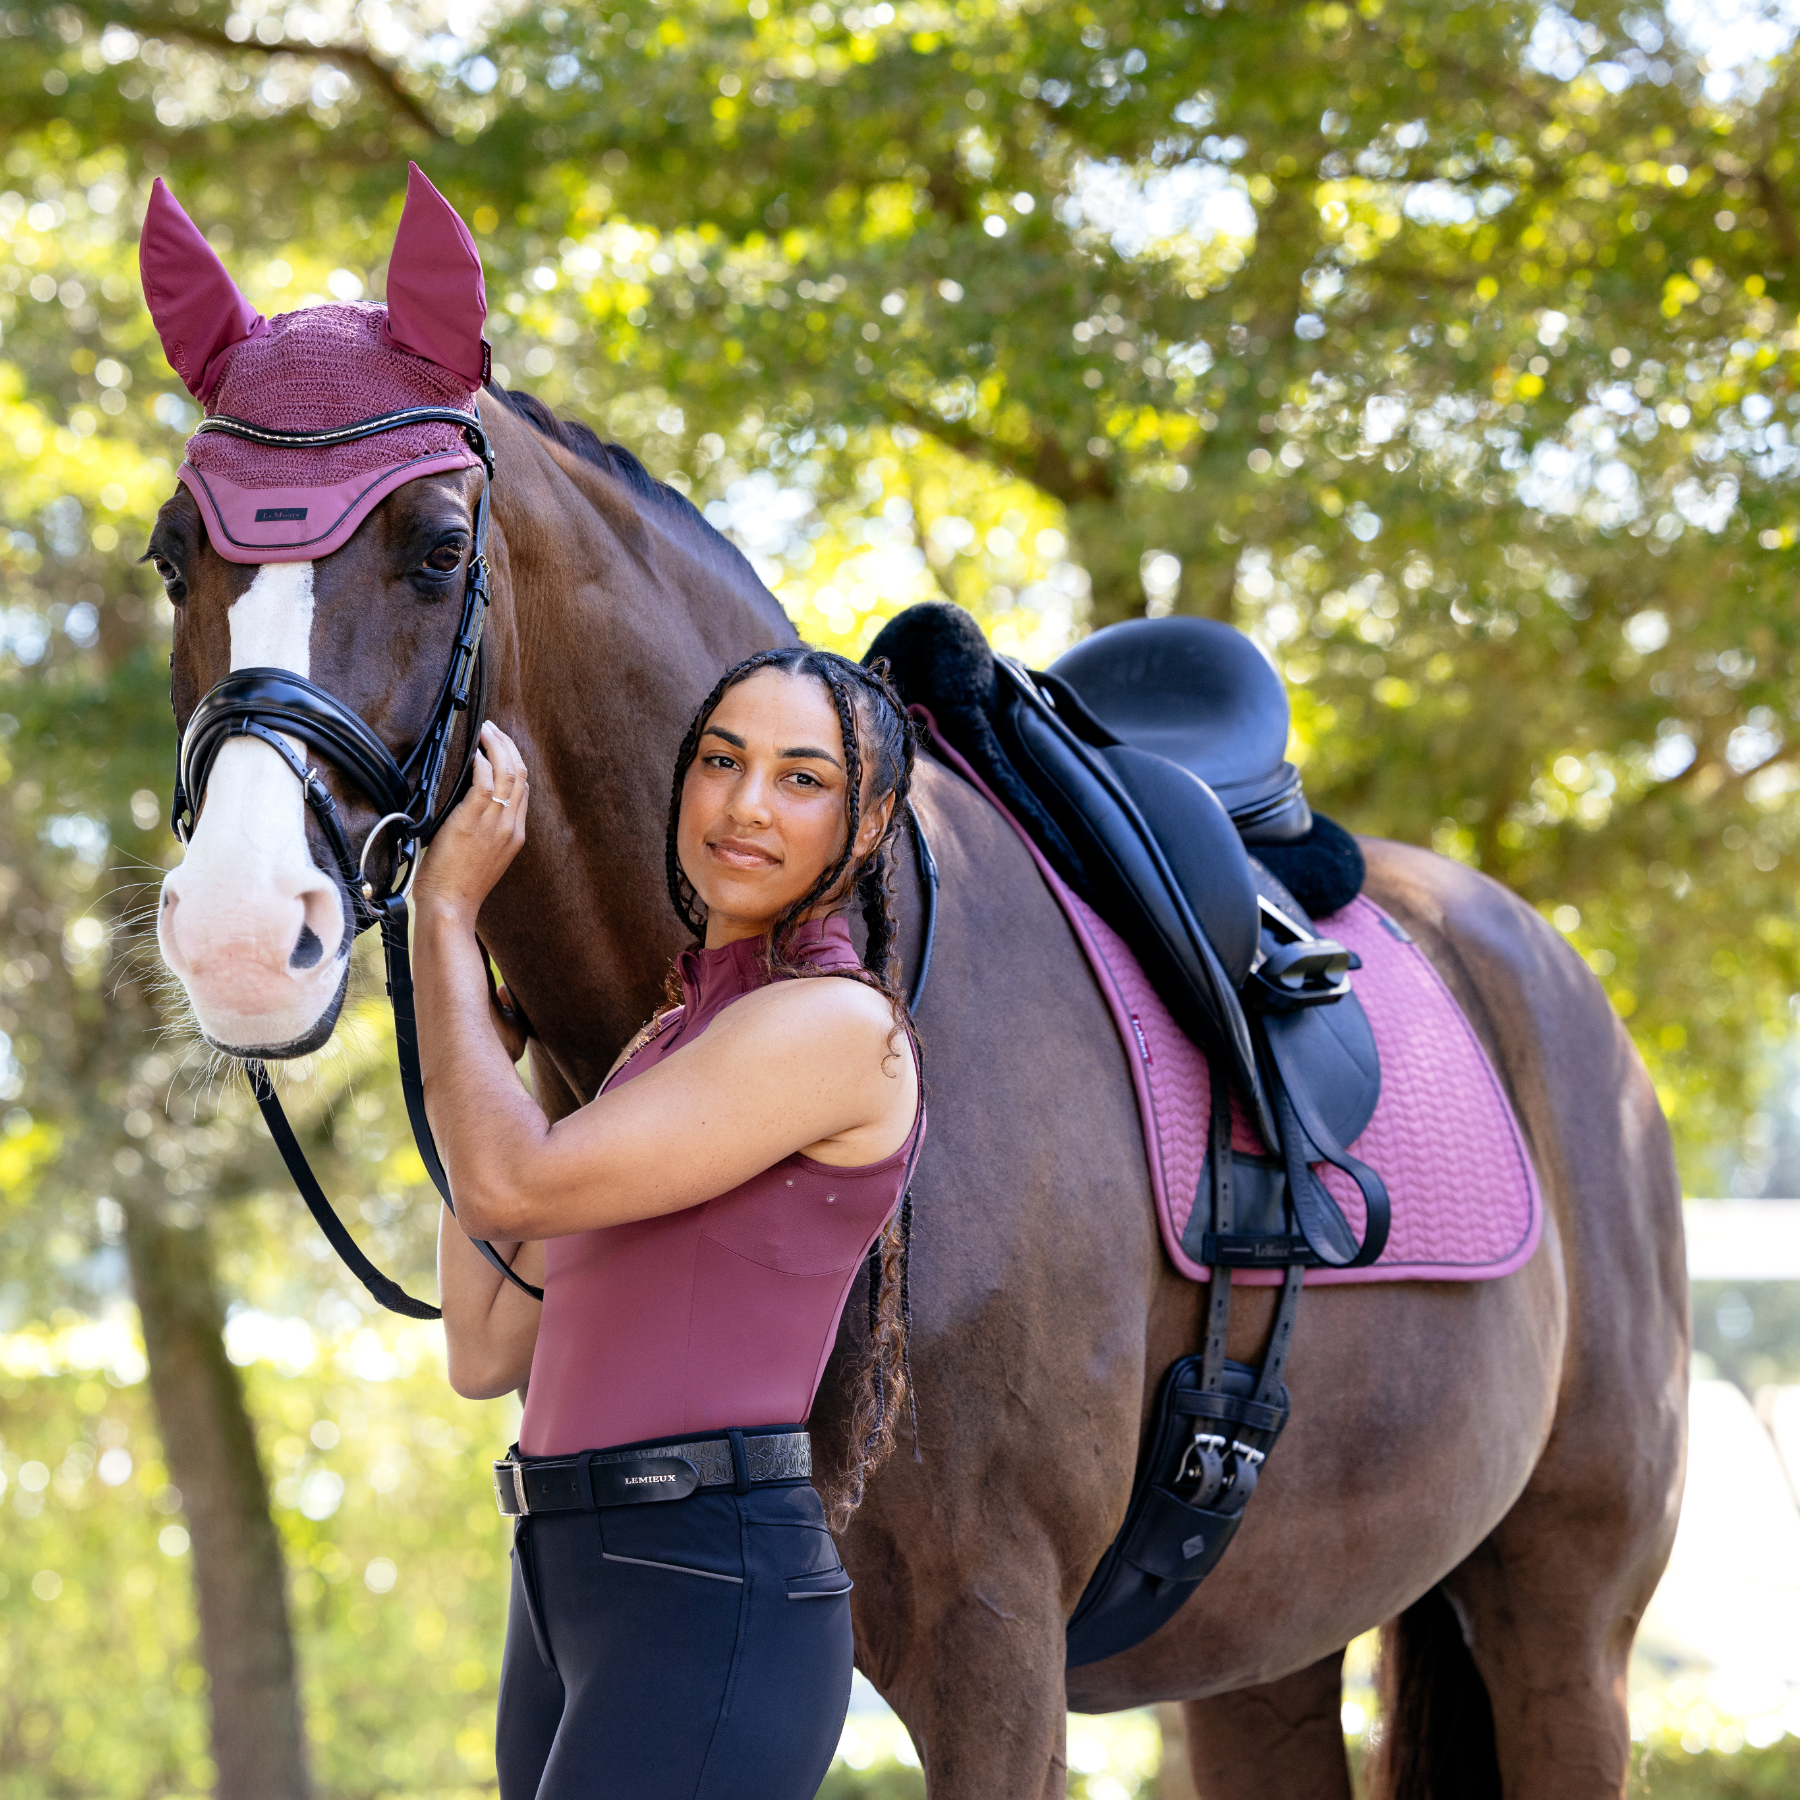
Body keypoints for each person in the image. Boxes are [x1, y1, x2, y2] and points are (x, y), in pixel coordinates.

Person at [411, 647, 925, 1800]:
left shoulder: (833, 1029)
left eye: (803, 779)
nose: (745, 805)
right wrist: (476, 1072)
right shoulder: (664, 1044)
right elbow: (485, 1348)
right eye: (720, 762)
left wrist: (446, 913)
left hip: (706, 1590)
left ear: (870, 816)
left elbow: (514, 1183)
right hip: (562, 1584)